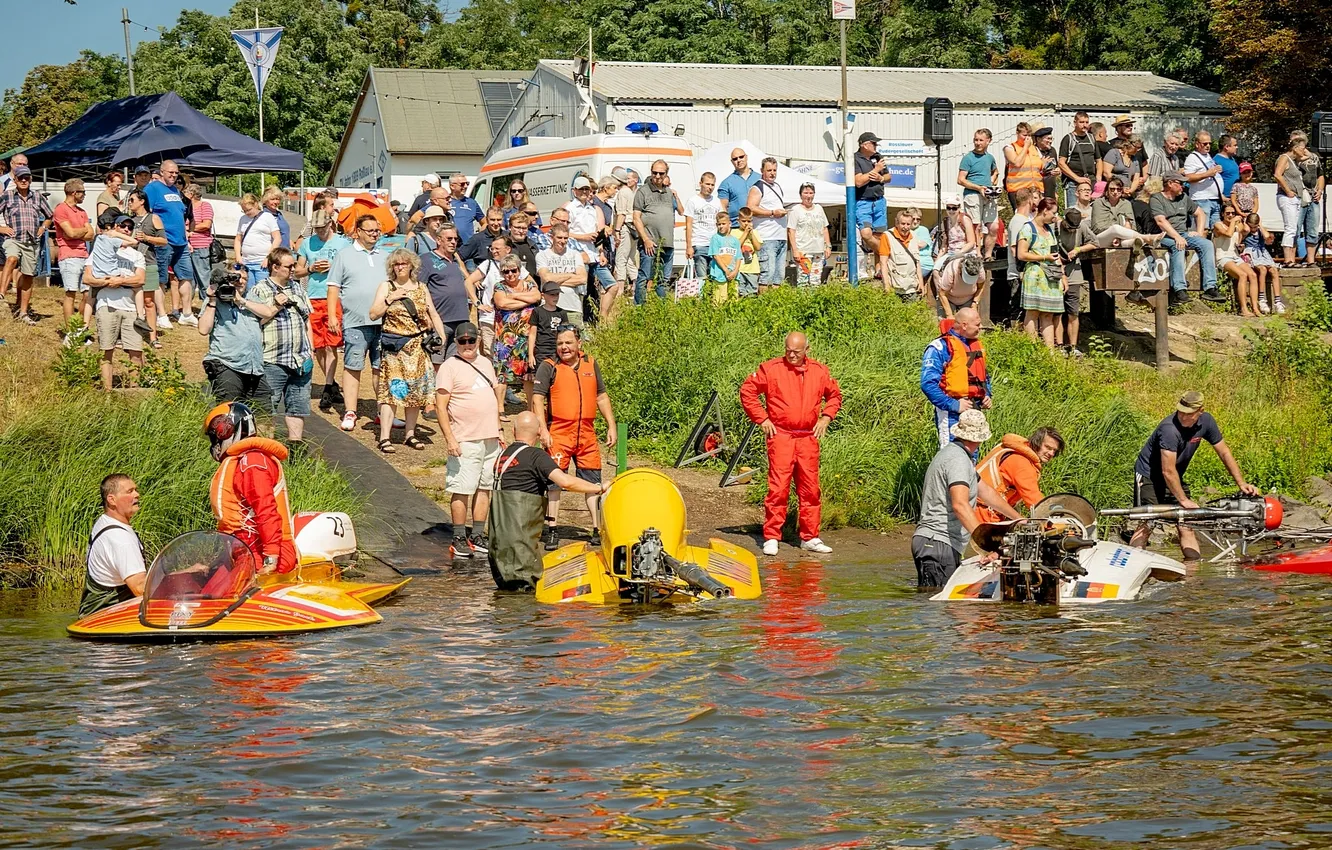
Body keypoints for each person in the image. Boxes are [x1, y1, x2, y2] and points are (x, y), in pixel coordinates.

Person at [739, 331, 842, 556]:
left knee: (810, 489)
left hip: (808, 437)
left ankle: (810, 536)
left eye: (796, 351)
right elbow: (748, 391)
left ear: (807, 349)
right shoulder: (771, 369)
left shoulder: (819, 371)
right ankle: (772, 536)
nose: (791, 355)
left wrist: (826, 417)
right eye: (788, 350)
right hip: (782, 436)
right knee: (778, 487)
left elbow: (834, 396)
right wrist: (762, 418)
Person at [1129, 391, 1258, 561]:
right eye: (1180, 411)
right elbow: (1167, 471)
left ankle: (1192, 575)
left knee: (1186, 524)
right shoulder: (1169, 429)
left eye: (1188, 413)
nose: (1182, 416)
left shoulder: (1207, 421)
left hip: (1174, 475)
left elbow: (1224, 452)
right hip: (1149, 476)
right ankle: (1132, 562)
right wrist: (1183, 500)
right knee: (1148, 523)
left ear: (1200, 411)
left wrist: (1241, 483)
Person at [488, 411, 608, 591]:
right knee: (525, 596)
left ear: (513, 431)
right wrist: (598, 488)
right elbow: (565, 481)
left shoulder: (502, 456)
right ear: (538, 433)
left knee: (505, 595)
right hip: (520, 544)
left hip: (498, 545)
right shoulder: (537, 456)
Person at [912, 409, 1021, 589]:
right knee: (939, 609)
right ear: (980, 438)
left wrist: (1018, 519)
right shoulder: (958, 461)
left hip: (933, 542)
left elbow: (987, 493)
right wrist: (987, 546)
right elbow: (960, 505)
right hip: (938, 542)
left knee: (936, 604)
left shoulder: (956, 455)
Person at [532, 326, 617, 549]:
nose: (564, 347)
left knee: (593, 482)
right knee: (554, 484)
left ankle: (597, 529)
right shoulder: (549, 366)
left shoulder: (590, 363)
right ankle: (552, 530)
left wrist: (611, 425)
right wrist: (543, 429)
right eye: (560, 343)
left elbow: (601, 395)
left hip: (587, 433)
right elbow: (537, 399)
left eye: (568, 342)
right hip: (559, 431)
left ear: (579, 343)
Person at [435, 321, 505, 559]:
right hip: (464, 438)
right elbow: (441, 406)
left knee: (485, 486)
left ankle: (477, 533)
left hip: (489, 437)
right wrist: (450, 438)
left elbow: (494, 398)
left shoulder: (485, 363)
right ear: (456, 343)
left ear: (478, 341)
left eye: (471, 340)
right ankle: (458, 535)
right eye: (462, 341)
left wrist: (499, 429)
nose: (467, 345)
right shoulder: (449, 367)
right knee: (462, 488)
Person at [204, 402, 299, 575]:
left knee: (219, 596)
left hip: (262, 552)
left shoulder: (253, 463)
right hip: (246, 548)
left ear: (227, 431)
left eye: (215, 436)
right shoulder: (243, 460)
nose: (215, 443)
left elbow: (266, 509)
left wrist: (271, 559)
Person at [370, 248, 448, 453]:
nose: (400, 266)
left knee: (415, 392)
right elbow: (373, 314)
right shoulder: (386, 287)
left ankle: (410, 434)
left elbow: (433, 312)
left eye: (404, 263)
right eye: (396, 264)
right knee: (391, 392)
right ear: (391, 267)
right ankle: (384, 437)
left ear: (411, 265)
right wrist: (390, 298)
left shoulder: (421, 288)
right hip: (394, 348)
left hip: (417, 348)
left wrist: (442, 336)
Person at [326, 214, 389, 430]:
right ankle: (350, 411)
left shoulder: (385, 255)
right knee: (353, 365)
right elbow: (333, 286)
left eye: (377, 230)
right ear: (358, 232)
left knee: (381, 367)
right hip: (355, 320)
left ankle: (384, 412)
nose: (374, 234)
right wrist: (333, 315)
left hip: (384, 322)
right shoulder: (344, 255)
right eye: (370, 230)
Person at [250, 248, 313, 446]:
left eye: (294, 265)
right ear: (275, 267)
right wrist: (275, 306)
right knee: (267, 407)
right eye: (289, 266)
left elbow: (307, 320)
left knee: (298, 407)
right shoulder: (260, 290)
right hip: (273, 359)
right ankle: (264, 450)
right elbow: (253, 324)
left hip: (300, 358)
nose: (294, 269)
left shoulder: (297, 288)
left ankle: (295, 450)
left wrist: (310, 349)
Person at [83, 212, 146, 391]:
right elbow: (87, 278)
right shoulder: (101, 247)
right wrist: (106, 282)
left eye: (130, 227)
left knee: (135, 352)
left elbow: (140, 280)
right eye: (123, 226)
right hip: (107, 305)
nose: (127, 229)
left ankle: (133, 391)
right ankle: (107, 391)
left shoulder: (136, 255)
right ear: (115, 228)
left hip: (131, 307)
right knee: (106, 350)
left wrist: (119, 281)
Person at [294, 209, 349, 412]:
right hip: (314, 296)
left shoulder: (342, 243)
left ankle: (327, 387)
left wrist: (333, 266)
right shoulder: (307, 243)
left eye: (322, 228)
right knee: (318, 345)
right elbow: (297, 271)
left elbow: (349, 267)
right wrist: (311, 269)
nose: (319, 232)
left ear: (330, 224)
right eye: (316, 228)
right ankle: (331, 382)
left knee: (331, 344)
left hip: (335, 297)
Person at [199, 263, 277, 403]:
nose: (241, 282)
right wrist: (212, 300)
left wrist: (241, 301)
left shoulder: (251, 296)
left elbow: (268, 312)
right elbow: (203, 329)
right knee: (229, 414)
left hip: (254, 367)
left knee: (264, 416)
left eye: (245, 279)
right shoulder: (216, 299)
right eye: (236, 278)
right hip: (228, 364)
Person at [920, 306, 991, 447]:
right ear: (964, 325)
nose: (981, 327)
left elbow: (984, 376)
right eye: (977, 325)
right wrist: (954, 405)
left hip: (974, 410)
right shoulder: (940, 347)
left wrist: (987, 395)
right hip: (951, 412)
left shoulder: (975, 346)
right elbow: (928, 384)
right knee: (951, 456)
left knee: (971, 459)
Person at [78, 474, 147, 617]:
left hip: (90, 614)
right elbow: (140, 588)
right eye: (130, 491)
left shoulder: (105, 521)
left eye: (135, 490)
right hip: (104, 618)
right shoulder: (120, 538)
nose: (137, 494)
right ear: (112, 499)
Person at [1151, 171, 1224, 306]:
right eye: (1180, 183)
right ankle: (1179, 289)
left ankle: (1210, 288)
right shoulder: (1157, 198)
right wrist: (1177, 237)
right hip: (1163, 235)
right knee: (1178, 246)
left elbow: (1200, 213)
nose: (1183, 186)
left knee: (1207, 244)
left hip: (1183, 234)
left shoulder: (1183, 198)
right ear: (1170, 184)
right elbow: (1161, 221)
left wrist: (1199, 232)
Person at [975, 427, 1065, 524]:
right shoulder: (1022, 463)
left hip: (973, 502)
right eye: (1048, 447)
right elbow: (1034, 500)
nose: (1051, 453)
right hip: (983, 514)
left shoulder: (1011, 449)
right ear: (1037, 442)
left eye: (1054, 451)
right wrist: (1056, 518)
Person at [144, 160, 195, 324]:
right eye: (170, 172)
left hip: (181, 242)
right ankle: (162, 315)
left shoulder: (175, 190)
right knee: (161, 279)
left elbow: (180, 215)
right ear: (162, 172)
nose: (174, 175)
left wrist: (186, 238)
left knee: (186, 276)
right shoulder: (152, 189)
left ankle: (186, 314)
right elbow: (146, 212)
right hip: (164, 242)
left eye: (176, 173)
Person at [0, 165, 52, 326]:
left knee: (28, 276)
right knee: (12, 259)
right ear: (14, 180)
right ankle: (1, 293)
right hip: (13, 238)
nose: (24, 180)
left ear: (30, 179)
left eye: (26, 178)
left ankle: (23, 312)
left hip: (31, 242)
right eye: (20, 178)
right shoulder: (7, 196)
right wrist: (1, 228)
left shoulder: (37, 197)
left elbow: (50, 215)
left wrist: (43, 228)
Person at [1017, 198, 1066, 348]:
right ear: (1044, 211)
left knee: (1048, 314)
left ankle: (1049, 352)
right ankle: (1032, 349)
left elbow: (1055, 254)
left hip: (1051, 276)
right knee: (1033, 313)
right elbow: (1021, 254)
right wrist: (1044, 257)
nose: (1055, 217)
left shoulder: (1049, 229)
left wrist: (1063, 276)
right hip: (1035, 275)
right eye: (1053, 213)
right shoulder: (1027, 228)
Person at [492, 254, 541, 404]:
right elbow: (502, 304)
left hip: (527, 338)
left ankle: (530, 409)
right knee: (502, 375)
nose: (510, 274)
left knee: (528, 374)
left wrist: (513, 296)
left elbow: (537, 297)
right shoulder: (499, 286)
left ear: (519, 270)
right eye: (506, 272)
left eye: (513, 270)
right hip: (505, 338)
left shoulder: (530, 284)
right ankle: (499, 409)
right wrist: (525, 300)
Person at [419, 221, 474, 351]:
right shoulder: (426, 259)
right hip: (440, 320)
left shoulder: (456, 261)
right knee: (437, 362)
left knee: (455, 362)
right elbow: (420, 290)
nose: (453, 242)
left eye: (455, 239)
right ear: (438, 240)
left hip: (461, 320)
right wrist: (426, 317)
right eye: (449, 239)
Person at [1274, 131, 1324, 267]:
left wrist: (1320, 190)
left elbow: (1320, 174)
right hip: (1293, 197)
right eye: (1296, 142)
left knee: (1312, 229)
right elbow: (1278, 174)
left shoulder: (1307, 157)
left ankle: (1310, 261)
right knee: (1293, 229)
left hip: (1310, 196)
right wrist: (1288, 190)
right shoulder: (1287, 158)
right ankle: (1290, 259)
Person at [53, 178, 95, 337]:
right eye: (83, 192)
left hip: (84, 255)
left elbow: (90, 234)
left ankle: (81, 329)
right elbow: (68, 234)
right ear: (73, 193)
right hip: (68, 256)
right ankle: (70, 331)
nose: (84, 195)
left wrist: (76, 233)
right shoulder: (61, 209)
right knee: (70, 293)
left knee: (87, 293)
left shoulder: (82, 212)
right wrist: (80, 232)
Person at [633, 159, 677, 303]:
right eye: (654, 173)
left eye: (661, 173)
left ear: (666, 174)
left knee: (663, 280)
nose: (657, 176)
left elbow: (678, 213)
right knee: (644, 277)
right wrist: (645, 239)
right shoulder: (643, 191)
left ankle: (661, 310)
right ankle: (640, 309)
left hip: (667, 243)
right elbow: (636, 218)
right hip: (650, 243)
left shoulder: (669, 193)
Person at [1055, 208, 1096, 356]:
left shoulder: (1082, 227)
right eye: (1070, 227)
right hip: (1056, 273)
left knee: (1073, 312)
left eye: (1075, 228)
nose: (1072, 230)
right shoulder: (1055, 227)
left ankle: (1073, 347)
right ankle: (1058, 345)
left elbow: (1094, 243)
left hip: (1075, 274)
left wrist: (1078, 249)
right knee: (1057, 313)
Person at [746, 157, 788, 291]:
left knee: (779, 276)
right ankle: (763, 305)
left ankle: (774, 304)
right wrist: (772, 212)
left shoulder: (777, 186)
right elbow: (750, 208)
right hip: (767, 237)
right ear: (762, 171)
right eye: (769, 170)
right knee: (767, 275)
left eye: (774, 170)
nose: (772, 173)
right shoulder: (758, 187)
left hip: (781, 236)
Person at [958, 129, 1001, 260]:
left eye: (981, 140)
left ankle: (988, 255)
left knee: (994, 226)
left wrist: (991, 184)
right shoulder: (968, 158)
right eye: (976, 139)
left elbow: (996, 172)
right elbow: (961, 179)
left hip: (988, 195)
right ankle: (977, 253)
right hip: (972, 195)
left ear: (988, 141)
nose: (977, 143)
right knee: (975, 226)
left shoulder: (990, 158)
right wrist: (978, 188)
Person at [853, 132, 891, 273]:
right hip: (863, 201)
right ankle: (887, 252)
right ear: (864, 144)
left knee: (879, 236)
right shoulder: (855, 159)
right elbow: (858, 181)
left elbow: (888, 176)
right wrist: (875, 171)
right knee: (866, 234)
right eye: (873, 143)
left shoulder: (878, 157)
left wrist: (881, 178)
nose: (876, 145)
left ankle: (879, 272)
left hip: (879, 201)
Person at [536, 223, 587, 328]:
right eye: (559, 237)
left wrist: (554, 280)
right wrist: (571, 275)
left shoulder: (575, 254)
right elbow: (546, 278)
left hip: (573, 307)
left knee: (575, 340)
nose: (563, 241)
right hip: (549, 308)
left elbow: (582, 279)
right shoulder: (542, 255)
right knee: (550, 340)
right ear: (552, 238)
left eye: (565, 238)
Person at [1212, 208, 1259, 317]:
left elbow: (1246, 230)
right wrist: (1234, 221)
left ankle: (1255, 307)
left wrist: (1240, 243)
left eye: (1233, 213)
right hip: (1222, 257)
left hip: (1235, 256)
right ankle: (1243, 308)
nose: (1230, 215)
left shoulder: (1238, 227)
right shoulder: (1218, 225)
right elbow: (1228, 234)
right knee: (1242, 275)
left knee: (1252, 275)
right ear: (1223, 214)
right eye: (1228, 213)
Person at [787, 182, 831, 287]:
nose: (808, 196)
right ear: (801, 195)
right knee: (803, 279)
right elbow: (791, 231)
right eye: (806, 193)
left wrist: (828, 246)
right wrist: (795, 250)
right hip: (803, 250)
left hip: (818, 250)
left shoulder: (819, 208)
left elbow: (824, 228)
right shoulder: (795, 210)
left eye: (811, 193)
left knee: (816, 280)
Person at [235, 192, 281, 287]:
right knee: (247, 290)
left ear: (256, 204)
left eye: (249, 210)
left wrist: (268, 257)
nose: (247, 213)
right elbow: (238, 239)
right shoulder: (243, 219)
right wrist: (238, 257)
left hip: (262, 262)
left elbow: (277, 238)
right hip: (246, 262)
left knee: (264, 289)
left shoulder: (268, 217)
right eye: (244, 211)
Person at [1242, 212, 1284, 314]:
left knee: (1274, 270)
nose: (1253, 229)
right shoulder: (1246, 230)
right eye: (1252, 227)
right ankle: (1261, 299)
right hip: (1251, 252)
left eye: (1255, 227)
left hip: (1262, 252)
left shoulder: (1260, 230)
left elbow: (1266, 236)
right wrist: (1246, 225)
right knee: (1262, 269)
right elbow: (1245, 231)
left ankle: (1277, 301)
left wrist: (1260, 225)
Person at [879, 210, 924, 302]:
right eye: (903, 224)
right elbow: (883, 262)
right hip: (895, 288)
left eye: (908, 224)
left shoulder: (914, 236)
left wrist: (921, 282)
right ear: (897, 223)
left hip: (912, 288)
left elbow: (917, 262)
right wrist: (886, 285)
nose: (905, 227)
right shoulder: (887, 236)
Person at [1183, 131, 1225, 229]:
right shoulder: (1192, 158)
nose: (1208, 146)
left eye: (1209, 143)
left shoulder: (1207, 156)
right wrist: (1207, 174)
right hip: (1201, 199)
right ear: (1197, 144)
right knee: (1202, 229)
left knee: (1217, 230)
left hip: (1214, 199)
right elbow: (1188, 177)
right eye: (1205, 143)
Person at [1058, 111, 1101, 207]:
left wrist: (1098, 178)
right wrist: (1077, 178)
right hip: (1074, 183)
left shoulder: (1091, 138)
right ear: (1075, 123)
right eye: (1081, 122)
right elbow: (1061, 163)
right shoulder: (1068, 139)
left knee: (1093, 210)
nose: (1084, 125)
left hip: (1091, 182)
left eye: (1086, 122)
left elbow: (1098, 160)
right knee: (1073, 212)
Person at [182, 184, 213, 315]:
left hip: (201, 246)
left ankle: (208, 308)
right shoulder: (185, 208)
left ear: (191, 194)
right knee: (189, 280)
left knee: (204, 279)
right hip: (186, 246)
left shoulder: (204, 205)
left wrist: (189, 229)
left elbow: (207, 224)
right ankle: (187, 311)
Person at [684, 172, 722, 280]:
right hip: (699, 242)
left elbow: (722, 221)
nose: (710, 187)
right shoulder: (693, 201)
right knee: (702, 277)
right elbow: (689, 224)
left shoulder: (716, 201)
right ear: (700, 184)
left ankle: (713, 297)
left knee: (714, 276)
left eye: (712, 185)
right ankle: (702, 296)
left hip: (714, 244)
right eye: (707, 184)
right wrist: (689, 246)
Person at [611, 166, 641, 292]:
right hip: (633, 229)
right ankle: (635, 285)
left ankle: (620, 289)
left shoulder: (622, 193)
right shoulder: (630, 191)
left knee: (621, 258)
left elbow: (621, 213)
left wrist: (617, 230)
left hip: (625, 227)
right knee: (630, 258)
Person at [528, 280, 568, 369]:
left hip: (558, 352)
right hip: (541, 352)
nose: (555, 297)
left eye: (557, 294)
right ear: (543, 295)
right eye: (552, 295)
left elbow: (566, 334)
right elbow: (532, 334)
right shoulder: (537, 311)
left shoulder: (562, 313)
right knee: (541, 379)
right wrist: (531, 355)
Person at [1002, 122, 1043, 208]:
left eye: (1029, 135)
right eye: (1024, 135)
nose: (1027, 138)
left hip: (1035, 189)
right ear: (1017, 133)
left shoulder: (1035, 149)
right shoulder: (1010, 148)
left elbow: (1039, 167)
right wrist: (1025, 147)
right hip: (1018, 190)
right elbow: (1017, 163)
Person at [719, 148, 761, 227]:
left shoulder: (760, 178)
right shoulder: (726, 183)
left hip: (759, 226)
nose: (739, 160)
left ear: (746, 157)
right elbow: (722, 208)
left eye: (741, 157)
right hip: (736, 227)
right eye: (735, 159)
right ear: (732, 162)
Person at [708, 210, 741, 300]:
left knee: (733, 299)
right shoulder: (715, 238)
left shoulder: (735, 241)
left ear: (729, 224)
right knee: (720, 299)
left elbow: (738, 257)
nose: (721, 226)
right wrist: (726, 270)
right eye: (719, 224)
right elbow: (716, 256)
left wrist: (735, 271)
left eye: (723, 224)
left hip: (734, 274)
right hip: (720, 274)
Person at [461, 207, 505, 272]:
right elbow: (458, 256)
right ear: (487, 220)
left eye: (499, 220)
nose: (496, 223)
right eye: (492, 220)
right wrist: (468, 277)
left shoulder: (508, 237)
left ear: (503, 220)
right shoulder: (477, 239)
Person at [446, 173, 484, 244]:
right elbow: (419, 215)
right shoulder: (444, 201)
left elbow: (485, 222)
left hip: (468, 246)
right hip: (449, 245)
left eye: (467, 183)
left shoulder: (472, 203)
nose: (466, 186)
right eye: (462, 184)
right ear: (452, 186)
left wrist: (478, 237)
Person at [734, 207, 762, 297]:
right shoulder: (734, 232)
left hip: (752, 269)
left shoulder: (755, 232)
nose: (746, 224)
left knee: (752, 291)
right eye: (743, 221)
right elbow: (736, 246)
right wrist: (745, 233)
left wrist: (751, 234)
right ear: (738, 220)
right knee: (740, 291)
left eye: (749, 221)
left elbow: (758, 247)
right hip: (739, 269)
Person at [1034, 125, 1059, 200]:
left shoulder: (1052, 151)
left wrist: (1058, 170)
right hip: (1037, 189)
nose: (1050, 141)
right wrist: (1041, 164)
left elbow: (1056, 166)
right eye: (1048, 139)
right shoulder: (1032, 151)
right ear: (1038, 139)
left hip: (1051, 189)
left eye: (1051, 139)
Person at [1214, 134, 1241, 203]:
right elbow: (1212, 181)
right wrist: (1221, 195)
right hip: (1226, 199)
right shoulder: (1216, 161)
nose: (1237, 147)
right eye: (1235, 145)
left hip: (1235, 197)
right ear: (1226, 147)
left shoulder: (1232, 159)